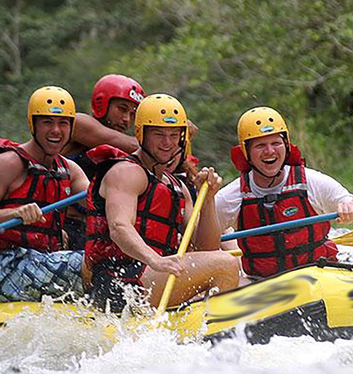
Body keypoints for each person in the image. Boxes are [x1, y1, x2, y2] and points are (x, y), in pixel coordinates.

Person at [83, 93, 239, 313]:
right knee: (226, 265)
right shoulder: (125, 172)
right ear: (141, 133)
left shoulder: (177, 186)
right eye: (158, 134)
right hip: (117, 281)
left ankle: (199, 326)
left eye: (174, 135)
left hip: (149, 276)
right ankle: (211, 331)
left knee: (223, 260)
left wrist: (209, 199)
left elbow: (207, 248)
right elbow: (119, 228)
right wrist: (155, 260)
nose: (167, 143)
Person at [216, 106, 353, 278]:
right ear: (246, 152)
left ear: (286, 145)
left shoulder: (313, 182)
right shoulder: (231, 196)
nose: (270, 151)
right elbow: (201, 242)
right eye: (260, 145)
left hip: (321, 276)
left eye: (276, 143)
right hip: (263, 284)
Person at [0, 86, 89, 302]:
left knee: (106, 260)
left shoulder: (69, 170)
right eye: (47, 122)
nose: (56, 130)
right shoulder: (8, 163)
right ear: (33, 125)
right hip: (9, 269)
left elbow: (97, 200)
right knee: (94, 264)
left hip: (48, 261)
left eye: (63, 123)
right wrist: (13, 214)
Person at [61, 75, 146, 250]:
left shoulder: (130, 150)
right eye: (121, 109)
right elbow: (120, 142)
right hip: (66, 225)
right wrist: (167, 137)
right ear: (102, 105)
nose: (126, 120)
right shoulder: (78, 123)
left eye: (132, 114)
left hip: (97, 231)